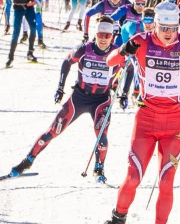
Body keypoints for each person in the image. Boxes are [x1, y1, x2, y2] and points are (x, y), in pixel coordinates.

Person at [92, 2, 180, 224]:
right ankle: (117, 219)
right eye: (163, 27)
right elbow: (111, 61)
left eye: (172, 28)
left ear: (178, 26)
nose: (167, 33)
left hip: (174, 125)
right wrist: (124, 49)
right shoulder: (141, 40)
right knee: (133, 177)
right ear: (156, 24)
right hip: (146, 122)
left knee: (166, 182)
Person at [11, 15, 121, 182]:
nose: (104, 39)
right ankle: (27, 161)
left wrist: (124, 92)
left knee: (102, 137)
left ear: (112, 36)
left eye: (107, 35)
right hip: (79, 98)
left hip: (102, 100)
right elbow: (66, 62)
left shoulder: (117, 53)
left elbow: (130, 68)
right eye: (100, 35)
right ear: (95, 34)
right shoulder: (84, 50)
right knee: (53, 131)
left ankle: (99, 168)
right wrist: (60, 88)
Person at [0, 0, 43, 68]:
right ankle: (10, 58)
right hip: (18, 8)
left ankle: (30, 53)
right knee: (16, 33)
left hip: (29, 7)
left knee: (33, 29)